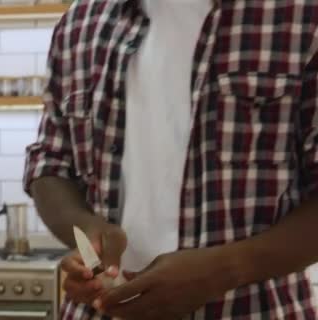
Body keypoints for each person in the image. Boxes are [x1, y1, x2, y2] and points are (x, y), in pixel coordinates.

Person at [24, 0, 318, 318]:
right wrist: (86, 232)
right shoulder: (79, 25)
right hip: (99, 311)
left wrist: (225, 269)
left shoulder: (302, 17)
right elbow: (51, 162)